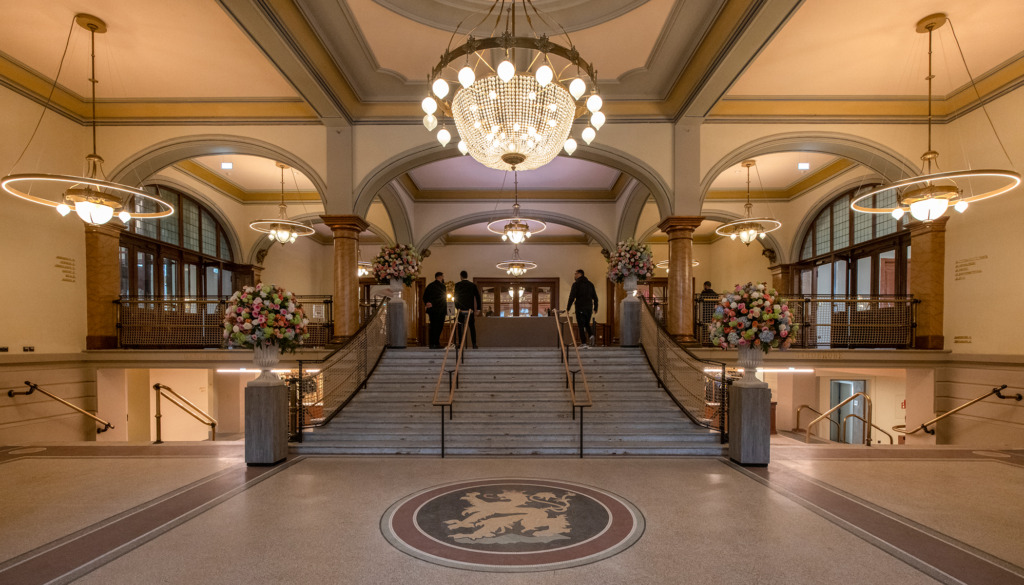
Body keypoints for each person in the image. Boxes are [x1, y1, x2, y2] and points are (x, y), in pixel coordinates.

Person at [566, 269, 598, 348]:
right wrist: (595, 308)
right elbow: (595, 298)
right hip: (589, 308)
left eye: (575, 274)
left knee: (580, 325)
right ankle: (591, 335)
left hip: (580, 307)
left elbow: (572, 297)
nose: (575, 276)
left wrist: (568, 308)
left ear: (580, 274)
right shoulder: (590, 284)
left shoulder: (576, 284)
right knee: (587, 323)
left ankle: (584, 343)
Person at [452, 270, 481, 349]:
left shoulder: (457, 285)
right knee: (472, 327)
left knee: (460, 327)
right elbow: (478, 297)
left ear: (461, 276)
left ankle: (460, 344)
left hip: (460, 309)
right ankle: (474, 344)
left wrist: (457, 307)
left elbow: (455, 297)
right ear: (467, 276)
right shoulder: (472, 285)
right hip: (470, 309)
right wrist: (478, 309)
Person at [423, 272, 447, 349]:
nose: (443, 278)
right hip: (440, 310)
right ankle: (436, 343)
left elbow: (424, 296)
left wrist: (427, 303)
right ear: (440, 277)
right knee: (439, 327)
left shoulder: (430, 286)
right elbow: (442, 299)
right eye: (443, 276)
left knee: (433, 326)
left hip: (432, 311)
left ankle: (432, 343)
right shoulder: (442, 286)